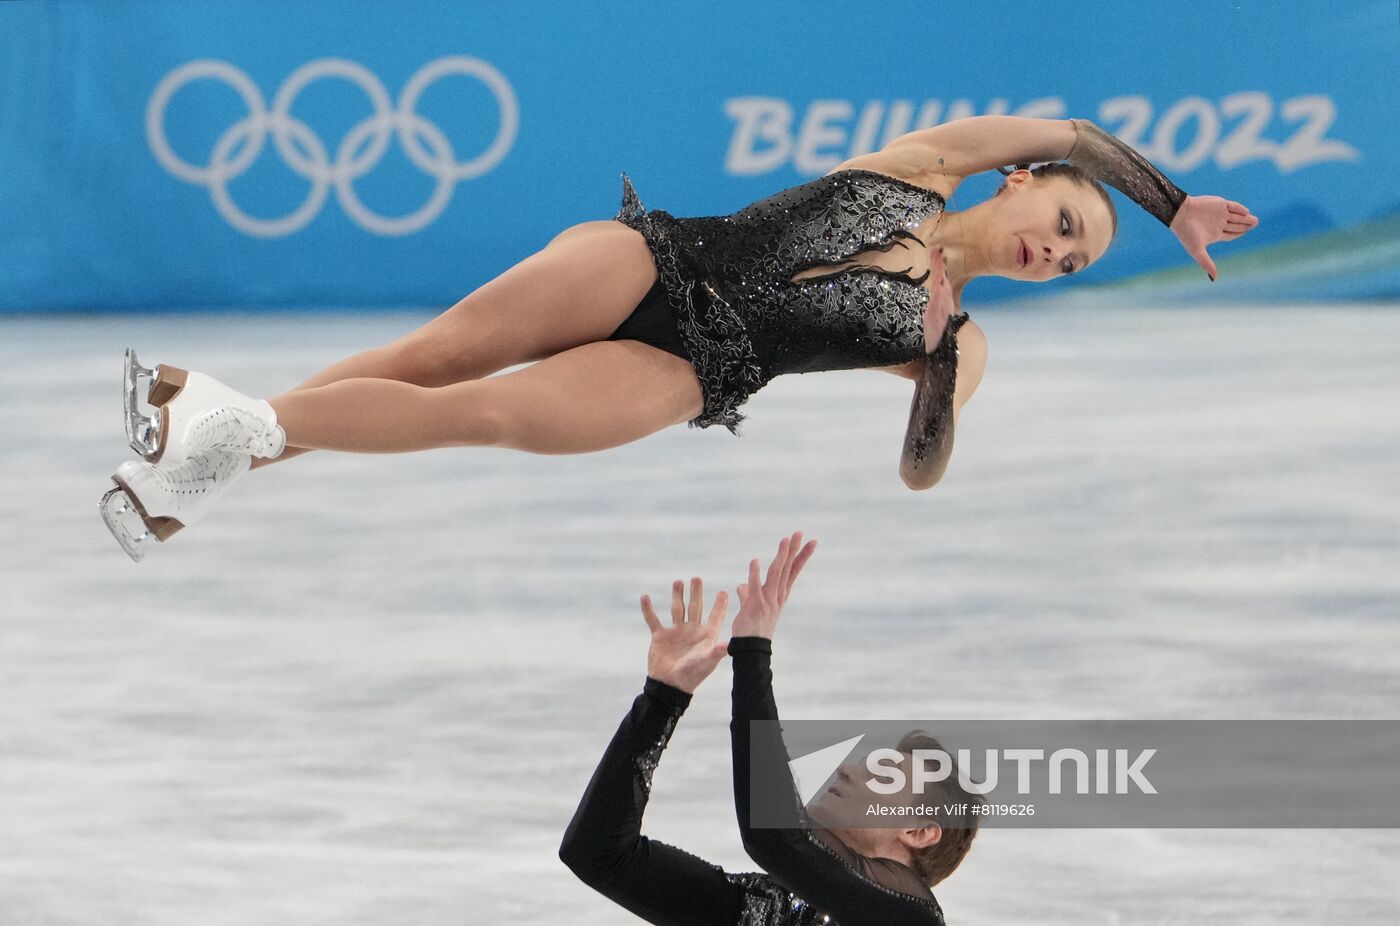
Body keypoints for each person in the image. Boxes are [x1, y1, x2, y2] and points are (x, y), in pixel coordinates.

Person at [100, 117, 1258, 559]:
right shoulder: (923, 165)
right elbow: (1075, 127)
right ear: (1017, 183)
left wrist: (943, 372)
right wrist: (1165, 201)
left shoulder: (959, 343)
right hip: (654, 260)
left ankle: (197, 418)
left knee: (478, 412)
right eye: (1061, 223)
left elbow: (918, 469)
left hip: (687, 371)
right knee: (440, 353)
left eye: (1072, 258)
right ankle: (199, 450)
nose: (1053, 252)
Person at [559, 532, 986, 924]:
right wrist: (662, 699)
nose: (846, 771)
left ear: (919, 831)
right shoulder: (771, 907)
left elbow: (777, 837)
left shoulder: (914, 920)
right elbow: (598, 855)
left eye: (883, 776)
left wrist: (753, 652)